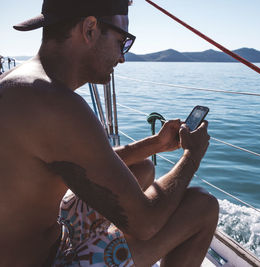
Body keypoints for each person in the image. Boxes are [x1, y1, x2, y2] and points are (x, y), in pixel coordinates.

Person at [0, 0, 219, 266]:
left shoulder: (21, 83)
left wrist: (156, 143)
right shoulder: (55, 104)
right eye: (122, 41)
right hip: (45, 260)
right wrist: (192, 156)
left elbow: (80, 159)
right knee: (201, 206)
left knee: (142, 169)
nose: (123, 57)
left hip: (44, 236)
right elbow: (146, 224)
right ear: (90, 29)